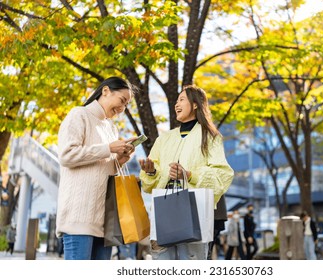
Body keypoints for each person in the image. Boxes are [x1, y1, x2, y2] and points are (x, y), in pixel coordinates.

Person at [139, 85, 234, 260]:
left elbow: (223, 175)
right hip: (164, 209)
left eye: (181, 99)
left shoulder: (210, 136)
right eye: (176, 101)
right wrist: (151, 172)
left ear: (196, 104)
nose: (176, 104)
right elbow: (149, 184)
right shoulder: (164, 138)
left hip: (195, 211)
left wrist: (189, 175)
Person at [56, 76, 137, 260]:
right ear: (106, 91)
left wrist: (119, 159)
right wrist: (108, 148)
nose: (122, 109)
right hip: (79, 220)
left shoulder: (111, 128)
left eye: (126, 105)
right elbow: (67, 155)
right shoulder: (79, 115)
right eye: (122, 101)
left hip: (104, 223)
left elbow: (103, 171)